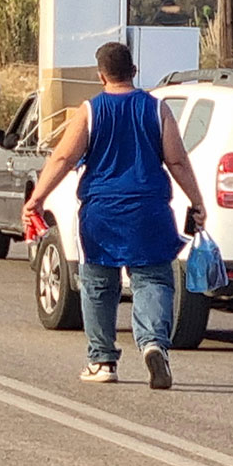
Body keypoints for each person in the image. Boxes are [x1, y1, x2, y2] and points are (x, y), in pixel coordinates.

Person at [24, 41, 207, 390]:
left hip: (102, 212)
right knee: (152, 279)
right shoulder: (156, 109)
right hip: (149, 210)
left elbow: (63, 158)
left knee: (98, 284)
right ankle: (153, 344)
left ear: (101, 75)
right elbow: (178, 160)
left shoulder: (91, 110)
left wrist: (37, 198)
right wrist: (196, 202)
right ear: (134, 72)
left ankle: (101, 359)